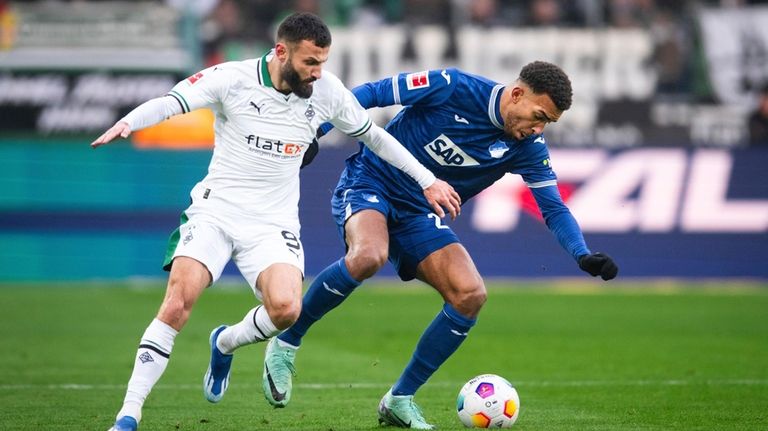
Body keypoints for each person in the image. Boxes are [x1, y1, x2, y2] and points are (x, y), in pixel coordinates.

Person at [91, 12, 460, 431]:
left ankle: (225, 342)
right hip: (216, 211)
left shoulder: (327, 92)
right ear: (281, 52)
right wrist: (128, 122)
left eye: (323, 62)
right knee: (177, 304)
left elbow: (375, 137)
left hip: (272, 223)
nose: (318, 72)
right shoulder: (232, 78)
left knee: (286, 310)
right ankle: (128, 415)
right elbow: (171, 102)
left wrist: (428, 180)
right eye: (310, 62)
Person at [262, 61, 619, 429]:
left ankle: (399, 399)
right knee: (369, 255)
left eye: (548, 123)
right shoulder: (452, 86)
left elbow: (553, 207)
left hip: (418, 211)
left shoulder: (527, 146)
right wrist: (314, 131)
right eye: (539, 115)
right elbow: (372, 93)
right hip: (371, 180)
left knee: (470, 294)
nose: (538, 128)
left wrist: (582, 254)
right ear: (517, 94)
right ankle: (287, 341)